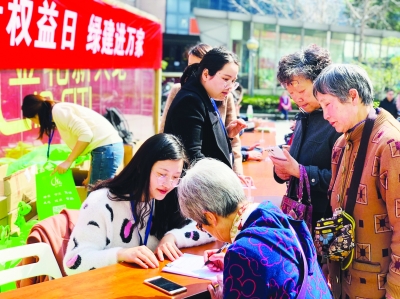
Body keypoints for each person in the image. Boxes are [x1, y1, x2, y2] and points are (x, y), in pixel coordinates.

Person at [177, 158, 332, 299]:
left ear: (210, 217)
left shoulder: (242, 254)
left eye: (200, 225)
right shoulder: (273, 213)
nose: (203, 229)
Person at [63, 134, 213, 275]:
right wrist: (121, 254)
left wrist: (172, 237)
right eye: (162, 174)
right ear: (142, 167)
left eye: (175, 177)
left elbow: (209, 227)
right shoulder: (102, 201)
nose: (168, 184)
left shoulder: (170, 195)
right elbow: (73, 263)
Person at [313, 64, 400, 299]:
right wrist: (327, 263)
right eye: (321, 106)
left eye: (328, 104)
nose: (325, 115)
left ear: (353, 96)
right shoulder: (341, 143)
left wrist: (395, 290)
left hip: (377, 287)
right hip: (343, 279)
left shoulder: (391, 144)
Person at [272, 44, 342, 237]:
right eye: (291, 94)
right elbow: (297, 159)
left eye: (301, 91)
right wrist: (282, 170)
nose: (297, 99)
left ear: (321, 82)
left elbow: (344, 180)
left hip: (325, 223)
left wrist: (298, 170)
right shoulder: (304, 115)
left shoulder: (338, 120)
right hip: (299, 216)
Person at [160, 43, 244, 175]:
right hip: (195, 190)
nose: (230, 86)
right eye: (226, 79)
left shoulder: (206, 95)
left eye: (233, 81)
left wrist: (225, 135)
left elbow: (206, 141)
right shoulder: (191, 100)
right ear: (205, 74)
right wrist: (228, 182)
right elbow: (193, 157)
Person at [21, 94, 123, 186]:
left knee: (96, 199)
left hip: (107, 150)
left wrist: (68, 161)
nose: (36, 123)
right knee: (96, 196)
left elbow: (86, 135)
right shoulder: (58, 111)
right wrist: (90, 176)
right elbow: (96, 146)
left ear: (35, 115)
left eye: (32, 120)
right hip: (107, 150)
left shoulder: (58, 112)